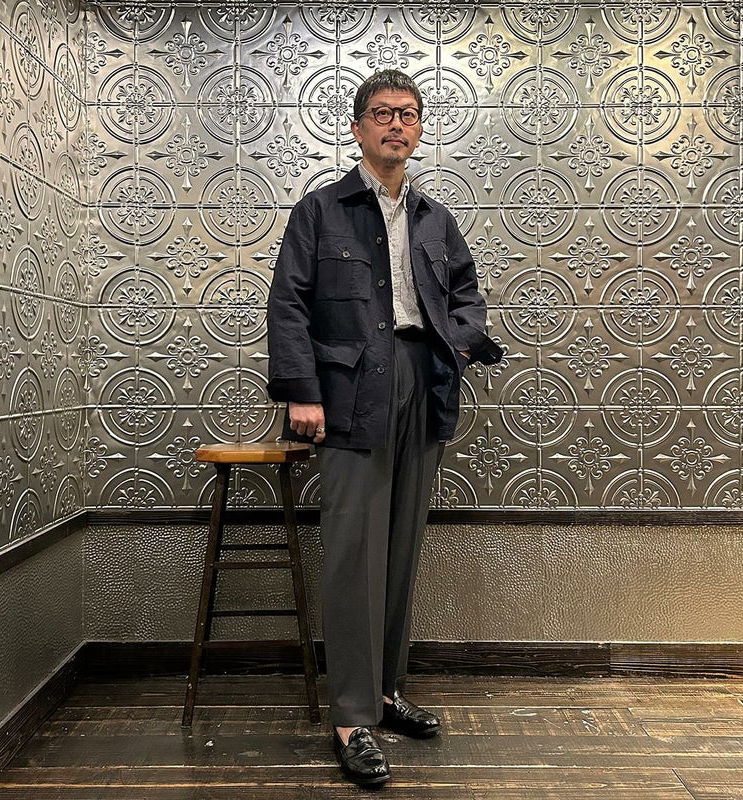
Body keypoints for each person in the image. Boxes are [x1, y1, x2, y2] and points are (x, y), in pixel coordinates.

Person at [266, 69, 501, 787]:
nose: (397, 124)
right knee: (353, 555)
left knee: (400, 548)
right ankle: (350, 715)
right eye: (382, 113)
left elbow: (467, 296)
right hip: (348, 392)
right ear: (357, 127)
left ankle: (387, 691)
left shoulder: (435, 218)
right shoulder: (320, 211)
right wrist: (302, 393)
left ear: (419, 128)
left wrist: (459, 343)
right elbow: (288, 305)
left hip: (421, 384)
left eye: (409, 113)